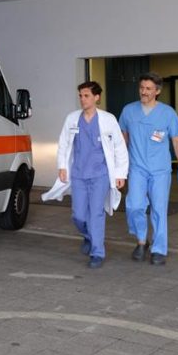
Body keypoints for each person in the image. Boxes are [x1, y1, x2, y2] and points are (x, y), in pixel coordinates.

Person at [42, 81, 128, 268]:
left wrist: (120, 173)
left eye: (86, 95)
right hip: (78, 174)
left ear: (96, 97)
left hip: (100, 174)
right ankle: (89, 236)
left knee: (96, 213)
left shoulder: (108, 119)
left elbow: (119, 147)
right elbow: (64, 143)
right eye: (80, 96)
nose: (82, 99)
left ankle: (97, 252)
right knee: (78, 215)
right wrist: (62, 167)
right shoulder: (72, 119)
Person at [119, 72, 178, 266]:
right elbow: (123, 138)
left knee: (158, 209)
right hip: (137, 168)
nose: (144, 92)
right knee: (134, 206)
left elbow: (177, 140)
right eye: (142, 88)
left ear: (157, 91)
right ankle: (142, 241)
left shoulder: (167, 113)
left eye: (148, 89)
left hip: (160, 170)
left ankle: (159, 249)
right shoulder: (128, 111)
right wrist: (119, 166)